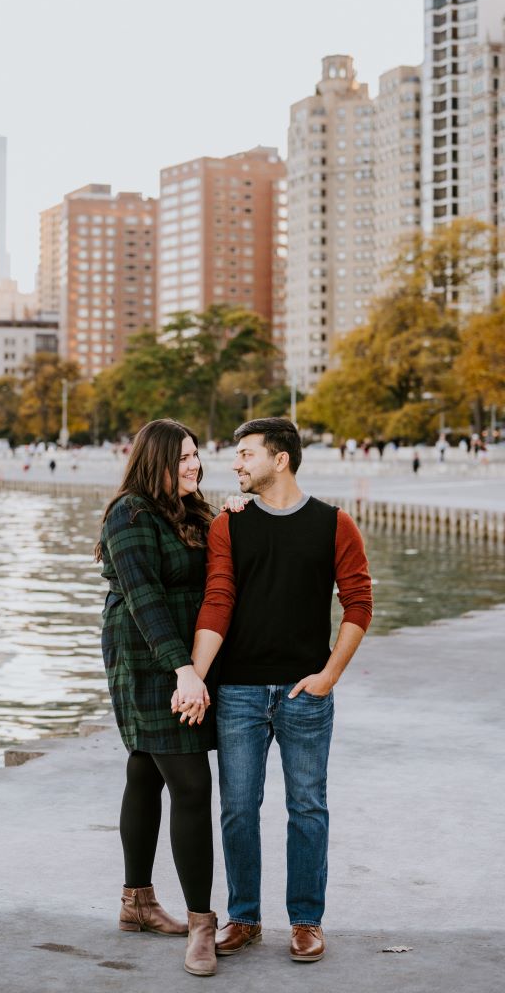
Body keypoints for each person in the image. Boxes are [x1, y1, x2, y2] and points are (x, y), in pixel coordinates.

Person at [178, 417, 373, 965]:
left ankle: (306, 921)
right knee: (238, 809)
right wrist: (194, 675)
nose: (235, 463)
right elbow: (218, 600)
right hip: (238, 691)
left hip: (304, 693)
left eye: (245, 454)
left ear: (280, 459)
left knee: (307, 807)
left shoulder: (335, 523)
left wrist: (329, 676)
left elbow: (357, 603)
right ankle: (244, 918)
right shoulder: (228, 525)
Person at [97, 418, 219, 977]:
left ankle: (137, 903)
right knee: (190, 784)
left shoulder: (194, 511)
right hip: (148, 659)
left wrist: (234, 520)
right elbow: (143, 596)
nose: (192, 466)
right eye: (181, 459)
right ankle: (201, 923)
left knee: (145, 769)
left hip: (185, 661)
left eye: (196, 455)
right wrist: (183, 671)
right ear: (156, 463)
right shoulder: (131, 513)